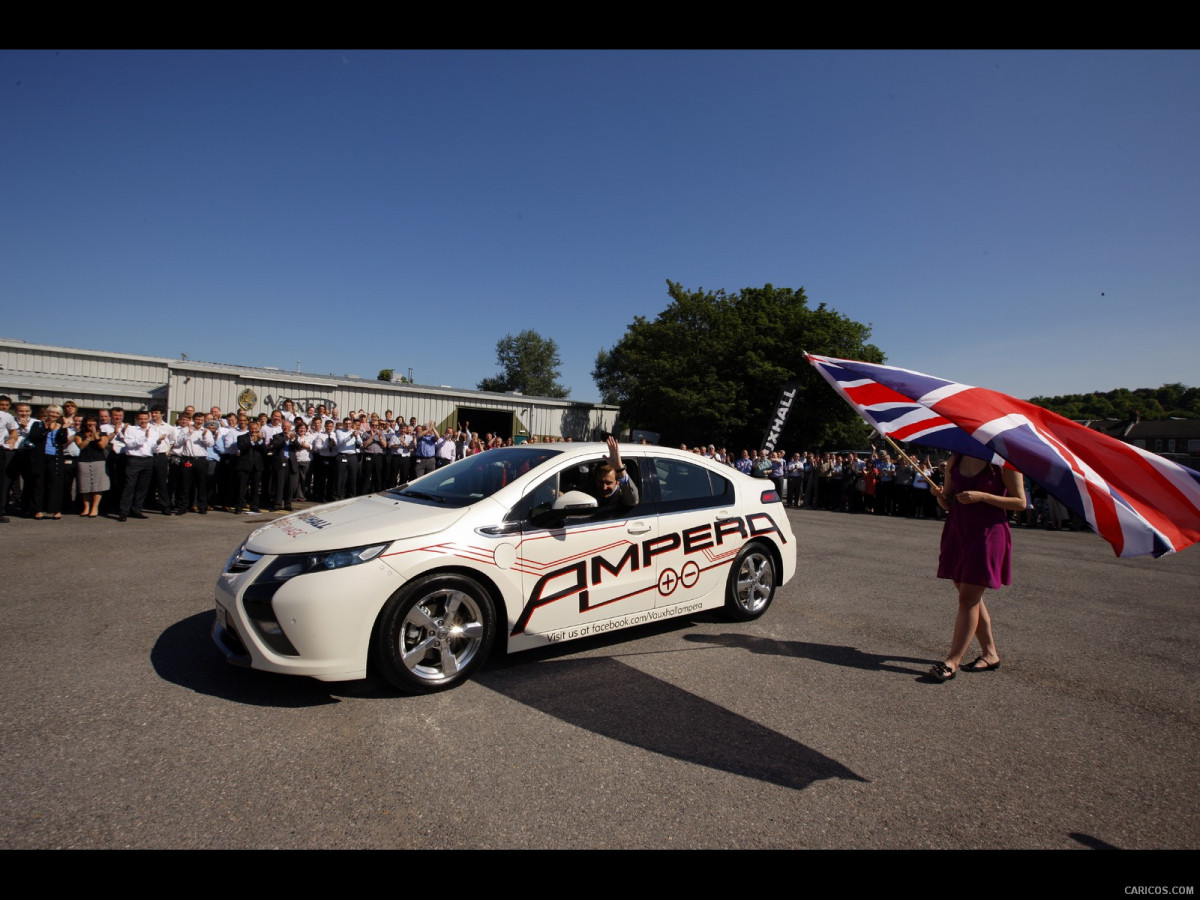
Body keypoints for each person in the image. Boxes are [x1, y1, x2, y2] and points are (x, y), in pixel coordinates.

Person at [926, 453, 1027, 681]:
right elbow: (948, 501)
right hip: (958, 531)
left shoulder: (1004, 463)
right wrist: (939, 496)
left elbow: (1020, 502)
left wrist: (983, 496)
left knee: (968, 598)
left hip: (988, 533)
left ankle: (952, 661)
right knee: (970, 597)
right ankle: (990, 653)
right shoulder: (955, 460)